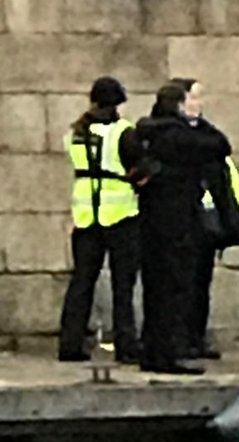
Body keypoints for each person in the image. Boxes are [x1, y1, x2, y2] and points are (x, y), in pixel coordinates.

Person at [135, 84, 231, 374]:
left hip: (150, 222)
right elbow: (220, 144)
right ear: (178, 105)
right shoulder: (180, 137)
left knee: (155, 289)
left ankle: (152, 352)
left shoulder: (146, 133)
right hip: (177, 223)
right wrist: (197, 122)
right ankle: (171, 353)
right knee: (176, 290)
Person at [58, 76, 142, 364]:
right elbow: (138, 170)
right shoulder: (124, 132)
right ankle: (126, 344)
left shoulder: (74, 133)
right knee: (123, 285)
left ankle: (70, 343)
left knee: (81, 282)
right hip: (120, 216)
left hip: (85, 217)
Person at [169, 77, 239, 360]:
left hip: (206, 220)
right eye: (191, 98)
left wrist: (233, 220)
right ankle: (181, 340)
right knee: (181, 284)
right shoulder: (174, 135)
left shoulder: (209, 136)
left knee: (201, 283)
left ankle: (196, 337)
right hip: (181, 220)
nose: (196, 104)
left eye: (199, 98)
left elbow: (224, 179)